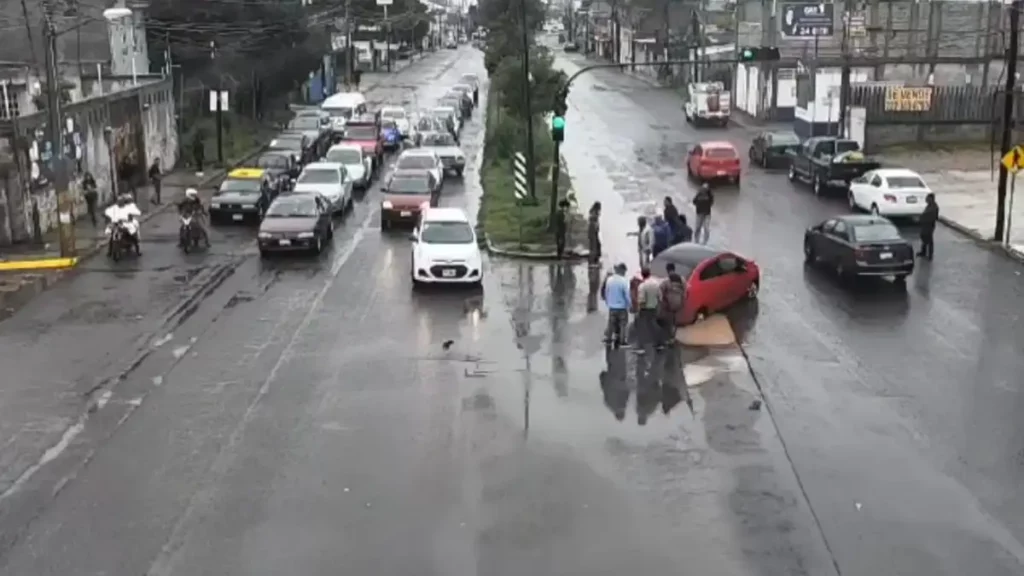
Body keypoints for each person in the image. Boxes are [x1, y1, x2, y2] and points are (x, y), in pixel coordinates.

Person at [602, 263, 631, 347]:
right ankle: (622, 341)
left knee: (611, 323)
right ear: (622, 270)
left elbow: (606, 292)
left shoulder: (609, 280)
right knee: (623, 324)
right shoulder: (624, 281)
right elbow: (627, 295)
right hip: (622, 307)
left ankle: (608, 339)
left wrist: (608, 302)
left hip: (612, 306)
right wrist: (629, 304)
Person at [658, 262, 687, 345]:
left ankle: (670, 338)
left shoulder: (666, 280)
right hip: (679, 303)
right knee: (675, 321)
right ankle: (674, 337)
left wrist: (662, 300)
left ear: (667, 270)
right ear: (674, 269)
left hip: (669, 304)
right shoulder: (682, 279)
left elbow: (660, 290)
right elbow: (686, 290)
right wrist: (683, 299)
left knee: (669, 321)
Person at [635, 266, 662, 352]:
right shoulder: (656, 283)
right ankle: (658, 343)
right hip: (654, 307)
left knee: (641, 327)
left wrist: (639, 309)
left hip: (645, 309)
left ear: (642, 275)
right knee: (654, 325)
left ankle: (641, 347)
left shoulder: (642, 286)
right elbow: (660, 297)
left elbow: (642, 299)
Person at [918, 193, 938, 261]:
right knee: (923, 237)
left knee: (929, 239)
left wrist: (923, 219)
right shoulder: (929, 206)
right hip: (925, 224)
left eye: (927, 198)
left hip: (929, 225)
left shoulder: (934, 207)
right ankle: (923, 252)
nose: (926, 200)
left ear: (931, 199)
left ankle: (930, 255)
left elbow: (933, 217)